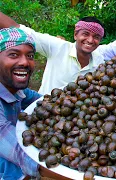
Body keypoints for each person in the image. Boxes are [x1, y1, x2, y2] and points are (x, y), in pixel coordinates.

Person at [0, 27, 68, 180]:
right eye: (13, 55)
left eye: (30, 56)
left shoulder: (17, 92)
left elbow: (49, 101)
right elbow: (24, 155)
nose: (25, 62)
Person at [0, 12, 106, 95]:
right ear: (75, 35)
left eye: (96, 37)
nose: (90, 40)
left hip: (76, 118)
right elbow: (17, 29)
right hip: (44, 111)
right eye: (85, 34)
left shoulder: (99, 61)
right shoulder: (58, 47)